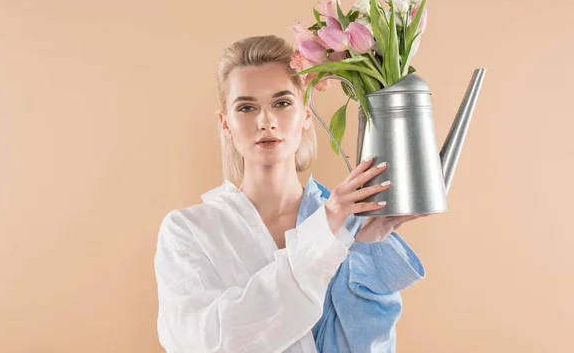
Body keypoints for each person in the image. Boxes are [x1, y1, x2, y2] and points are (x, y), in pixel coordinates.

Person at [154, 35, 428, 352]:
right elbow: (209, 342)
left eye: (282, 103)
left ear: (306, 115)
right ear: (226, 124)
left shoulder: (349, 225)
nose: (266, 121)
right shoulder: (187, 232)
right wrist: (324, 231)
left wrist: (364, 251)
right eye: (246, 107)